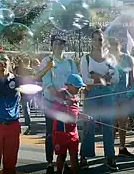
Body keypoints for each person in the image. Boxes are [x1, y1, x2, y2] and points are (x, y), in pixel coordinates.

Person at [79, 29, 119, 171]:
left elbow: (116, 78)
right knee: (89, 124)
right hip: (93, 94)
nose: (97, 42)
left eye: (100, 39)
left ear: (104, 41)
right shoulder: (86, 58)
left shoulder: (110, 59)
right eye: (95, 39)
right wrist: (102, 78)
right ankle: (84, 155)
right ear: (91, 41)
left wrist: (97, 76)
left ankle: (110, 156)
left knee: (108, 125)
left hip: (107, 93)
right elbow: (84, 80)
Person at [39, 35, 78, 174]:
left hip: (66, 104)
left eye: (61, 43)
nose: (59, 45)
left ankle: (62, 160)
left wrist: (69, 97)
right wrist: (58, 96)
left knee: (66, 133)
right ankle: (50, 162)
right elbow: (47, 82)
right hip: (51, 103)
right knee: (51, 132)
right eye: (56, 43)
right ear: (52, 45)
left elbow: (74, 81)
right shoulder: (47, 61)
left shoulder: (70, 62)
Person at [52, 74, 86, 174]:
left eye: (80, 87)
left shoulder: (76, 97)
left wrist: (83, 116)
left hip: (73, 131)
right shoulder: (61, 94)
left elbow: (75, 112)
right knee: (62, 155)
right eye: (77, 87)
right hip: (61, 130)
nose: (79, 89)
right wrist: (64, 104)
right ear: (69, 85)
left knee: (74, 155)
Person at [109, 39, 134, 157]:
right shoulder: (107, 60)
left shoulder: (128, 59)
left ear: (119, 45)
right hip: (111, 94)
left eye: (115, 45)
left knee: (123, 122)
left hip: (124, 94)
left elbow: (132, 79)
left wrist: (130, 94)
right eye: (111, 46)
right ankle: (109, 147)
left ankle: (122, 147)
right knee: (113, 122)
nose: (113, 48)